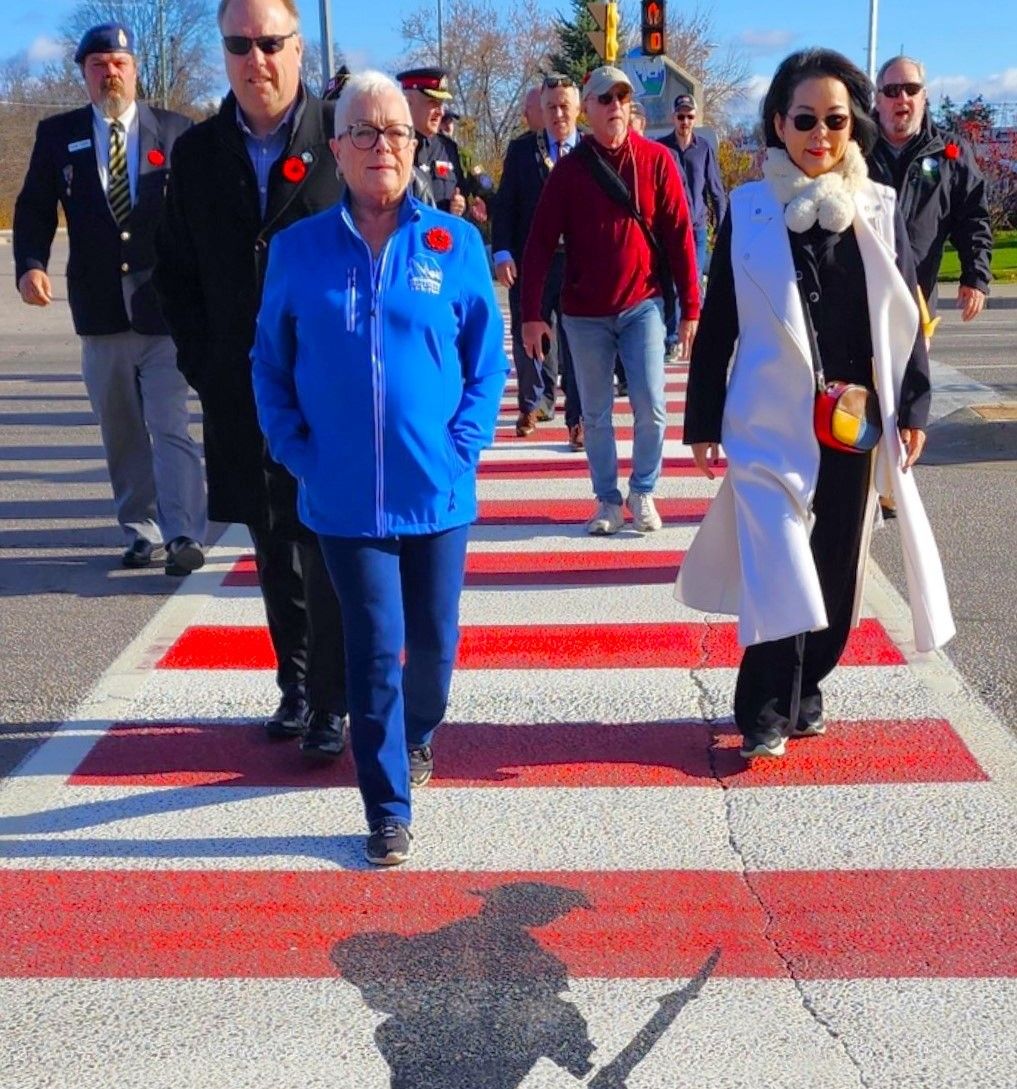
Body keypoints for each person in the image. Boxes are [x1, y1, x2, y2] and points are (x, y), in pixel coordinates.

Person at [251, 71, 508, 865]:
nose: (380, 146)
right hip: (342, 501)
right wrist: (300, 452)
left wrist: (461, 445)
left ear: (417, 144)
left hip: (437, 490)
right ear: (336, 148)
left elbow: (485, 363)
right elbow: (269, 364)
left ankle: (419, 733)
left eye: (395, 132)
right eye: (361, 132)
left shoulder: (453, 244)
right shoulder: (297, 251)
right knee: (372, 649)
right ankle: (386, 806)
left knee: (431, 648)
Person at [676, 48, 954, 759]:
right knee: (779, 564)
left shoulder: (876, 205)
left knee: (833, 565)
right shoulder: (749, 209)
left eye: (834, 120)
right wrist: (703, 420)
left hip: (852, 421)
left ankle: (808, 685)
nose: (819, 135)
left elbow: (903, 312)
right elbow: (720, 321)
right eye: (804, 120)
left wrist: (912, 407)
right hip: (767, 417)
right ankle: (763, 707)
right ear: (778, 122)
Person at [154, 0, 348, 754]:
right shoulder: (198, 153)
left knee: (328, 538)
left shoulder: (341, 135)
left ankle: (334, 696)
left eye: (270, 43)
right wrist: (203, 363)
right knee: (273, 541)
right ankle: (297, 686)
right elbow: (175, 273)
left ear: (298, 49)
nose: (255, 59)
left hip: (333, 389)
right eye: (239, 45)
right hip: (243, 386)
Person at [14, 22, 206, 576]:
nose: (109, 72)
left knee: (170, 425)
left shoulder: (174, 132)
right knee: (121, 429)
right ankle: (141, 531)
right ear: (83, 73)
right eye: (98, 64)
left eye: (118, 63)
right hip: (98, 311)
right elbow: (32, 210)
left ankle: (184, 534)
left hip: (164, 309)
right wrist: (30, 266)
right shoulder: (58, 135)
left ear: (135, 68)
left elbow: (200, 216)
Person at [521, 66, 700, 536]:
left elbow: (681, 237)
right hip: (584, 314)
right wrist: (531, 315)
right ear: (589, 109)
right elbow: (539, 243)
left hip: (643, 304)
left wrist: (692, 310)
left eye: (622, 97)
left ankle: (643, 491)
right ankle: (607, 501)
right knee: (596, 414)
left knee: (651, 404)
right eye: (605, 99)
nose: (616, 106)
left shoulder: (657, 160)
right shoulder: (568, 171)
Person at [493, 73, 584, 449]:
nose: (558, 114)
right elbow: (505, 207)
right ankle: (530, 405)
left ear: (578, 110)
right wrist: (502, 253)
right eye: (551, 107)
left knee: (578, 342)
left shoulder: (590, 151)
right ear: (541, 112)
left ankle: (578, 420)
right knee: (529, 337)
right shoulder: (521, 151)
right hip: (533, 262)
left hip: (579, 265)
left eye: (565, 106)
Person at [867, 55, 992, 330]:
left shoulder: (952, 155)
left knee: (911, 374)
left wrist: (975, 277)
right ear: (878, 99)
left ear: (924, 96)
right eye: (891, 90)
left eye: (911, 89)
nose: (902, 97)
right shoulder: (853, 148)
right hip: (857, 301)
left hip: (917, 299)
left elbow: (973, 219)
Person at [658, 93, 727, 363]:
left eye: (689, 116)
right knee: (673, 284)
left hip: (696, 229)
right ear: (673, 118)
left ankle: (693, 334)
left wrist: (723, 227)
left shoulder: (704, 149)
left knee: (693, 280)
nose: (685, 121)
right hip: (670, 230)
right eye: (680, 116)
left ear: (695, 119)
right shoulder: (663, 148)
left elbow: (716, 191)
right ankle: (673, 338)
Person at [397, 66, 486, 222]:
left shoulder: (449, 150)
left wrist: (460, 208)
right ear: (408, 102)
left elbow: (462, 195)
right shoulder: (392, 149)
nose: (441, 112)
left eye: (441, 104)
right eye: (432, 102)